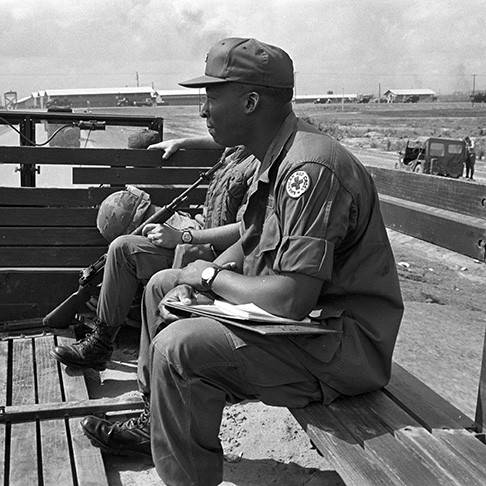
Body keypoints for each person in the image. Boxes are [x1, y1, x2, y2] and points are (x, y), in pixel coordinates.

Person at [80, 37, 403, 486]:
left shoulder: (309, 171)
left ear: (251, 101)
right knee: (162, 288)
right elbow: (251, 241)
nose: (202, 111)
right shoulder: (275, 157)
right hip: (307, 328)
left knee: (180, 350)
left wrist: (209, 275)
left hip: (342, 345)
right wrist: (193, 281)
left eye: (212, 96)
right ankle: (156, 422)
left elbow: (289, 299)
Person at [50, 136, 258, 369]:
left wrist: (183, 236)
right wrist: (182, 142)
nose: (206, 114)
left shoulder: (260, 162)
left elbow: (248, 231)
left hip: (214, 256)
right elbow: (224, 137)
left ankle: (142, 366)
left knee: (131, 256)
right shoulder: (239, 146)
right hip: (197, 237)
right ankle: (100, 344)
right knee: (121, 247)